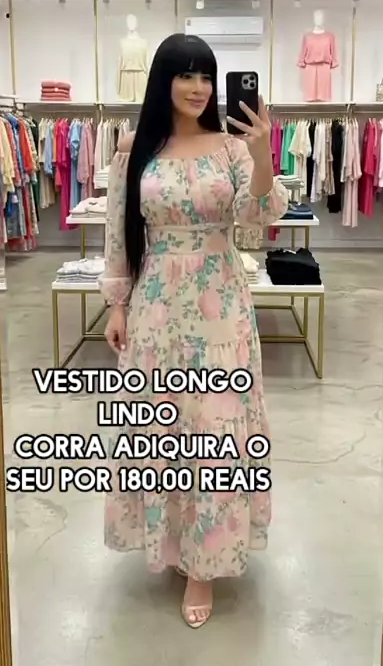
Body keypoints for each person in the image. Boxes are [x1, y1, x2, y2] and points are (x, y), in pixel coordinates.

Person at [99, 33, 288, 628]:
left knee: (213, 429)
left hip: (220, 305)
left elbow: (260, 216)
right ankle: (173, 539)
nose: (199, 87)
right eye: (186, 74)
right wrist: (117, 304)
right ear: (164, 80)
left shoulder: (231, 149)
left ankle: (205, 565)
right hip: (156, 305)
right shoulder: (136, 149)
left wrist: (261, 154)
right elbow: (118, 230)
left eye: (206, 75)